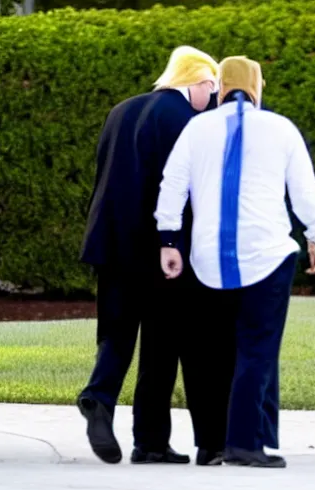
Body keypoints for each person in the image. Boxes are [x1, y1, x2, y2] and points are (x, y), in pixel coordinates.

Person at [155, 56, 315, 468]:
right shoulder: (281, 128)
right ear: (257, 88)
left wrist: (168, 239)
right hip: (268, 255)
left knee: (212, 354)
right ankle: (247, 444)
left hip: (207, 259)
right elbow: (304, 191)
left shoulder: (197, 127)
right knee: (257, 351)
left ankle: (212, 443)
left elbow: (172, 184)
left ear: (220, 87)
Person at [77, 45, 220, 465]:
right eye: (211, 90)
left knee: (116, 334)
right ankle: (150, 440)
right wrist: (175, 243)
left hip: (111, 243)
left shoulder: (120, 110)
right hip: (160, 248)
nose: (212, 99)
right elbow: (182, 188)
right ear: (201, 83)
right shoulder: (188, 121)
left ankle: (98, 396)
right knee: (163, 343)